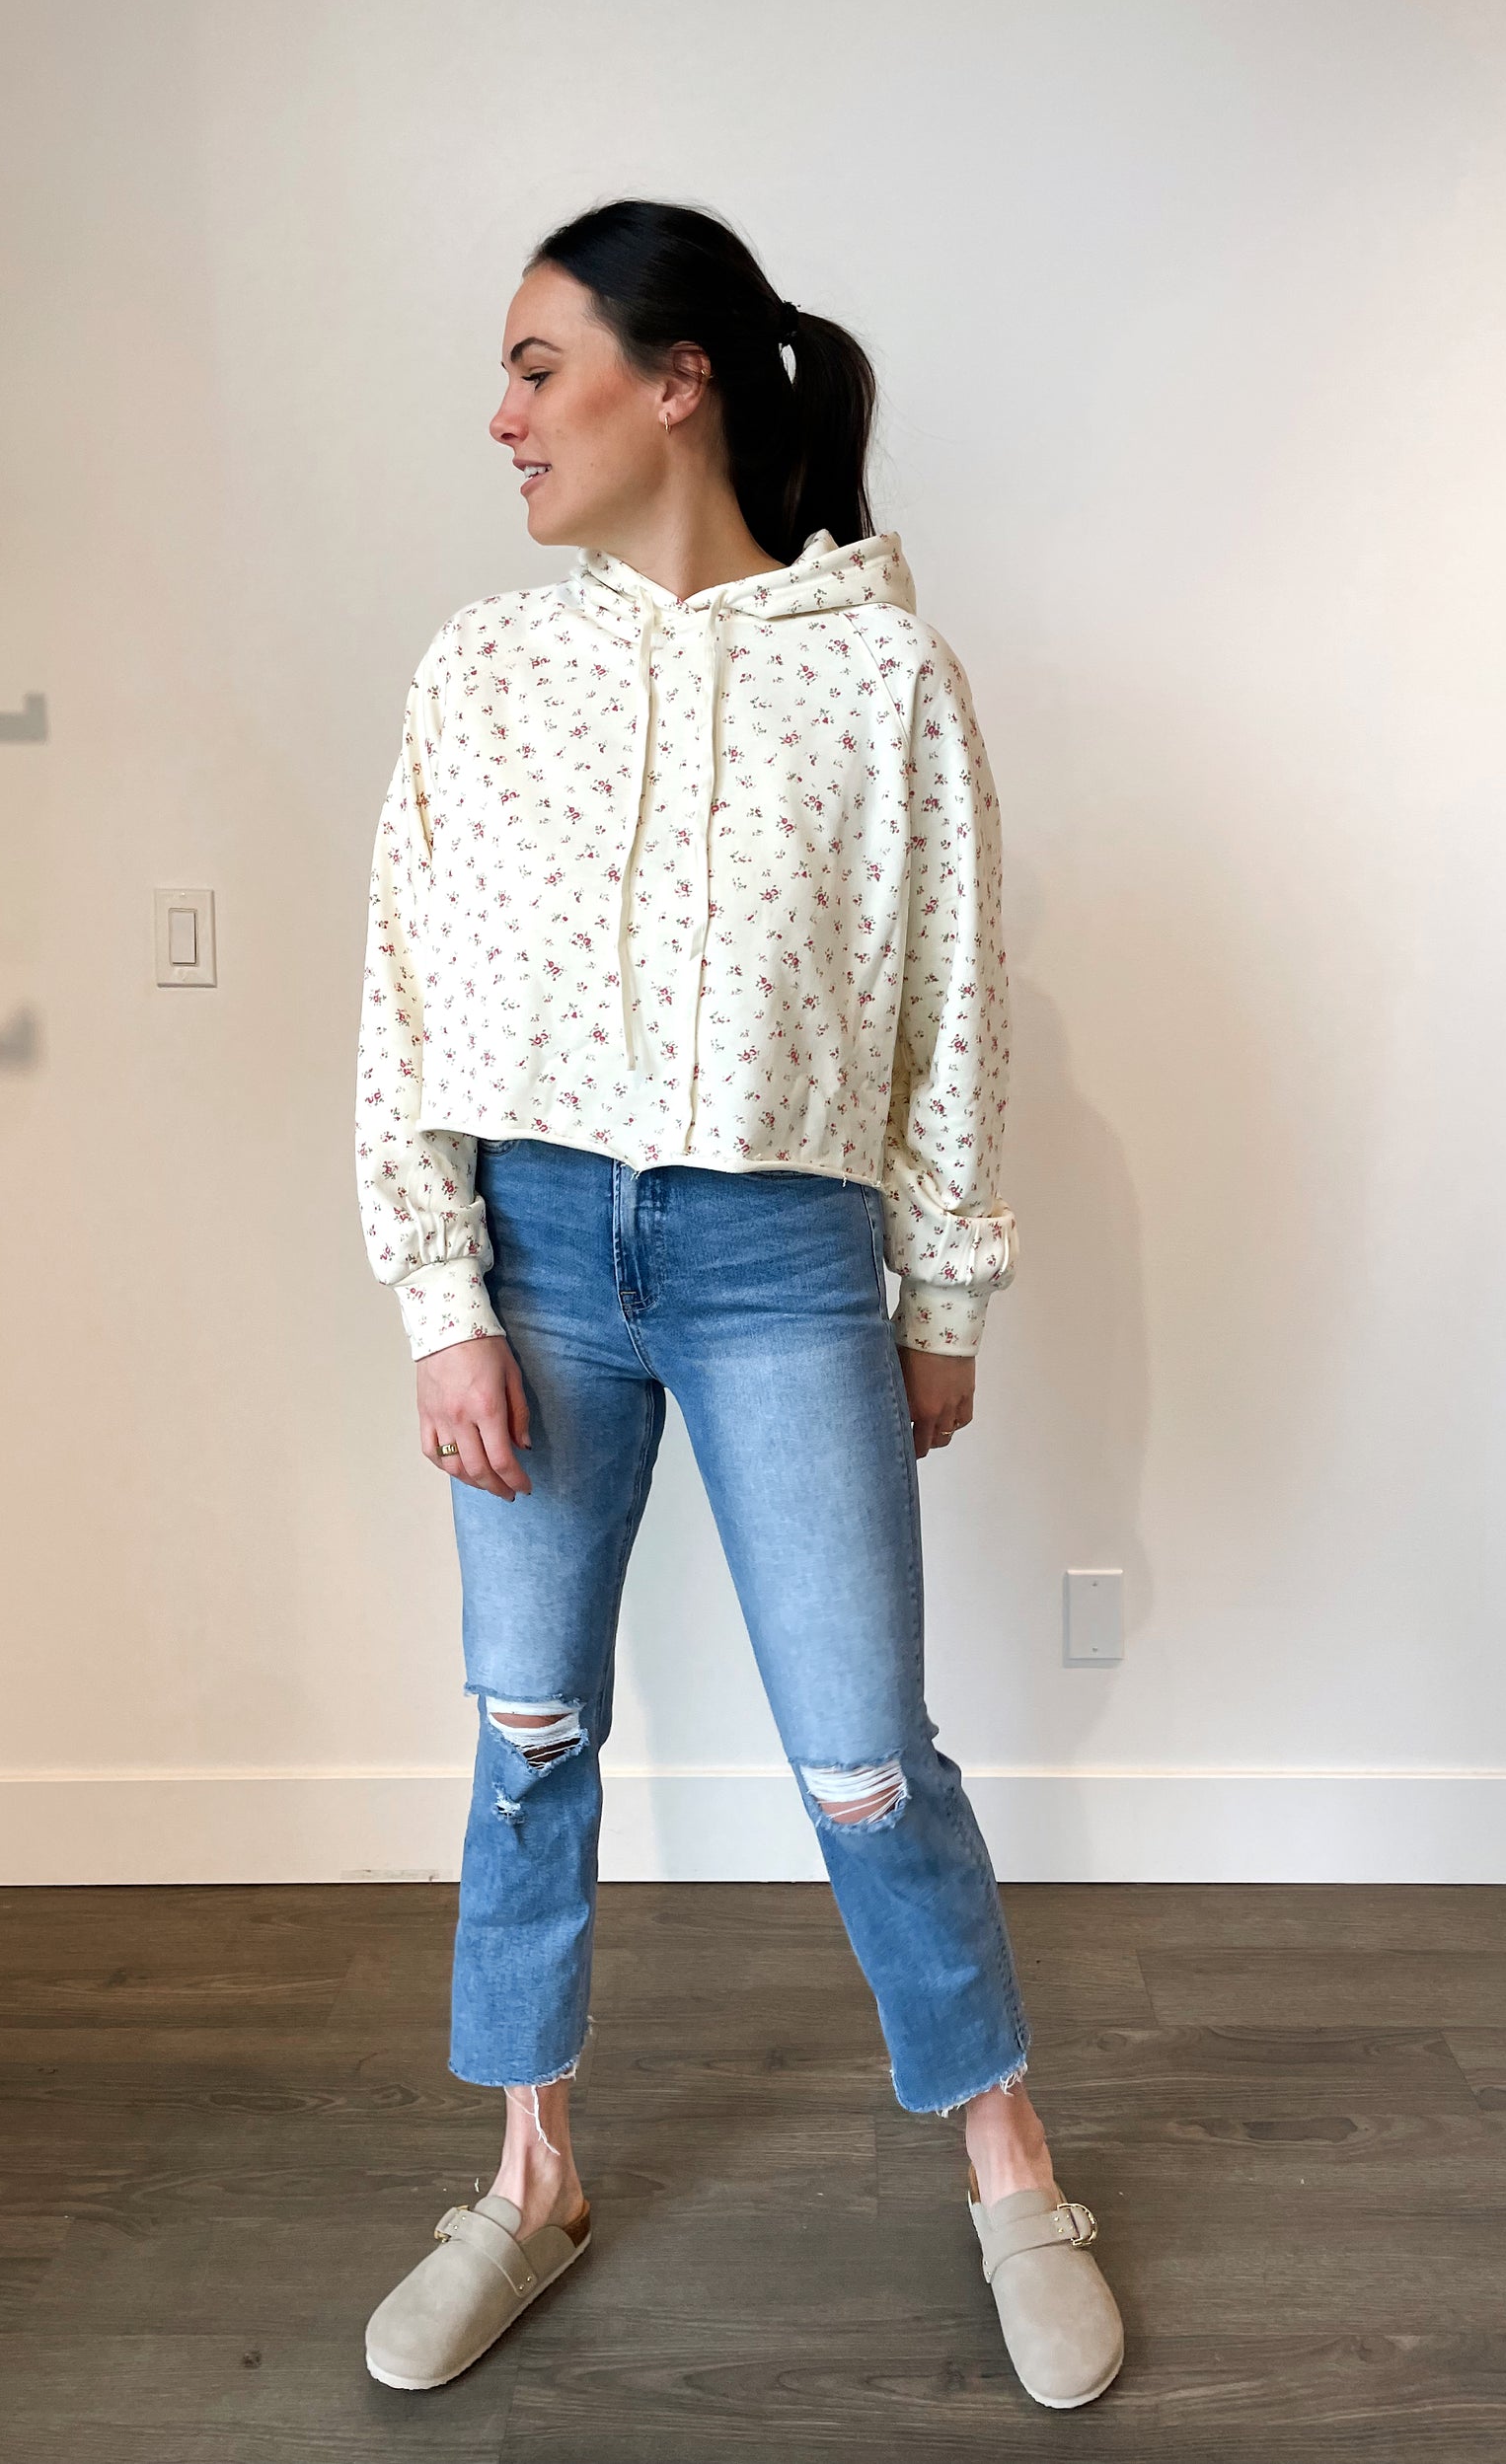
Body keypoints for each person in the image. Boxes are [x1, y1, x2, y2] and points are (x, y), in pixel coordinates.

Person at [352, 197, 1123, 2410]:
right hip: (532, 1252)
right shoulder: (481, 670)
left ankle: (1010, 2170)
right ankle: (528, 2175)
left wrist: (944, 1296)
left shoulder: (884, 675)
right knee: (527, 1734)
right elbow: (405, 1002)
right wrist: (439, 1293)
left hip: (784, 1254)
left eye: (537, 366)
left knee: (866, 1756)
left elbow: (946, 1011)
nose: (501, 417)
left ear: (673, 380)